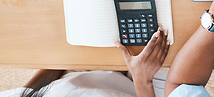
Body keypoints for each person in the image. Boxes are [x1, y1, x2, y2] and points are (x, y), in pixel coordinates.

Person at [0, 28, 170, 97]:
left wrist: (61, 53)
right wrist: (143, 80)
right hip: (143, 88)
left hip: (86, 69)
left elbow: (30, 89)